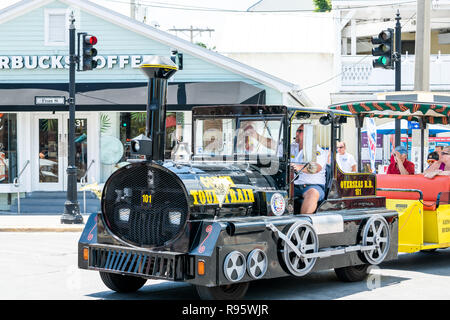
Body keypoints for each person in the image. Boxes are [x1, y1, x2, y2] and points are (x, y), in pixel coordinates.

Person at [291, 124, 327, 214]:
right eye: (297, 130)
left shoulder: (318, 151)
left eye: (300, 131)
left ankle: (303, 223)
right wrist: (256, 135)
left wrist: (299, 167)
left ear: (308, 134)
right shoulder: (291, 147)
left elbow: (316, 168)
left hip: (312, 186)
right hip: (292, 185)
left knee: (312, 194)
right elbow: (271, 144)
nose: (297, 133)